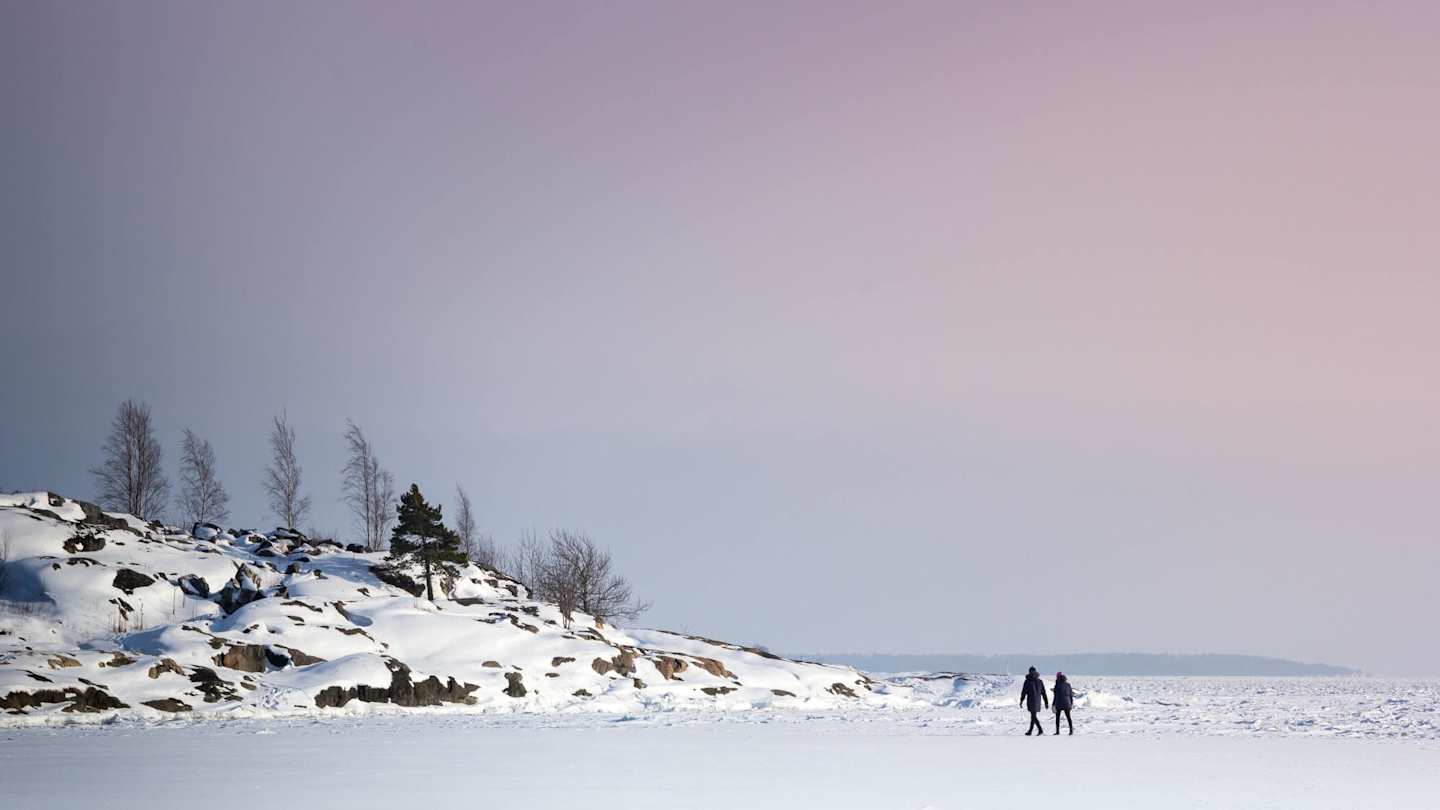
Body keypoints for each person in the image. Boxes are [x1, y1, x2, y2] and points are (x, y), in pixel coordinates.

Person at [1018, 666, 1048, 736]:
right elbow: (1043, 692)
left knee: (1033, 716)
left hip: (1031, 701)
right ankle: (1030, 731)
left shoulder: (1027, 681)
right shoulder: (1040, 681)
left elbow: (1024, 692)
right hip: (1038, 701)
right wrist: (1046, 702)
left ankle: (1040, 730)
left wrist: (1021, 701)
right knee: (1033, 716)